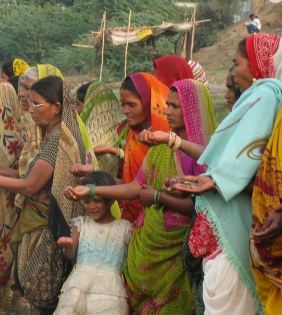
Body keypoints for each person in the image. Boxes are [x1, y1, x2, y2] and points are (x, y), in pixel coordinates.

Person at [64, 78, 217, 314]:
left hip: (177, 256)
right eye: (168, 105)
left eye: (176, 106)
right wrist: (93, 189)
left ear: (193, 109)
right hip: (145, 251)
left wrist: (159, 198)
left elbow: (201, 206)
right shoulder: (160, 149)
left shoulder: (208, 155)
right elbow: (135, 187)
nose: (168, 111)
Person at [0, 75, 80, 313]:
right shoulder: (46, 137)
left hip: (47, 229)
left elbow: (29, 185)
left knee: (44, 297)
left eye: (36, 104)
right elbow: (21, 175)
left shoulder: (57, 141)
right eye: (29, 103)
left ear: (57, 107)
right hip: (34, 223)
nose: (30, 110)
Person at [174, 34, 282, 315]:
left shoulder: (266, 93)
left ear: (258, 64)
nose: (233, 74)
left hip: (235, 241)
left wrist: (218, 179)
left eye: (236, 64)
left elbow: (248, 158)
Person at [92, 73, 170, 223]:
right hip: (131, 217)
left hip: (158, 219)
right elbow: (127, 182)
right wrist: (94, 176)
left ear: (148, 102)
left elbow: (137, 188)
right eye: (123, 104)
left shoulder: (164, 137)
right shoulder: (133, 135)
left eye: (131, 104)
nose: (125, 110)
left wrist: (92, 189)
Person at [55, 171, 132, 315]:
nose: (91, 206)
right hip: (77, 290)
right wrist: (68, 246)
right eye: (87, 201)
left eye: (97, 200)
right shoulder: (81, 223)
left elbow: (131, 264)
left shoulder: (124, 228)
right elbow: (70, 255)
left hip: (109, 294)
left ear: (111, 200)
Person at [76, 81, 122, 178]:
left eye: (78, 104)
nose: (75, 110)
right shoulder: (113, 135)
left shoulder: (84, 138)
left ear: (91, 108)